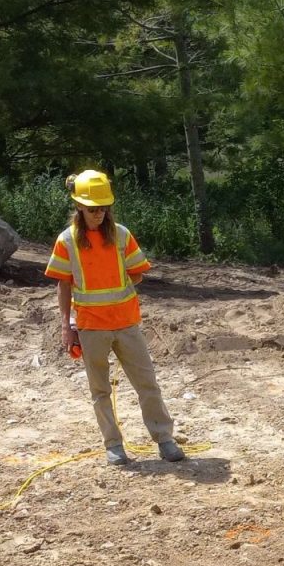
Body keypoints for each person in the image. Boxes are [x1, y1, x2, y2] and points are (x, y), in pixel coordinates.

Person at [46, 170, 184, 466]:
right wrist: (67, 326)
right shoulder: (67, 241)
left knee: (147, 384)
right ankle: (114, 445)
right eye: (93, 209)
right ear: (79, 206)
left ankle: (164, 439)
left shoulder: (121, 235)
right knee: (100, 391)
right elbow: (63, 284)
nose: (99, 214)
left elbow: (137, 273)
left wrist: (115, 289)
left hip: (126, 323)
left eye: (103, 208)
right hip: (91, 326)